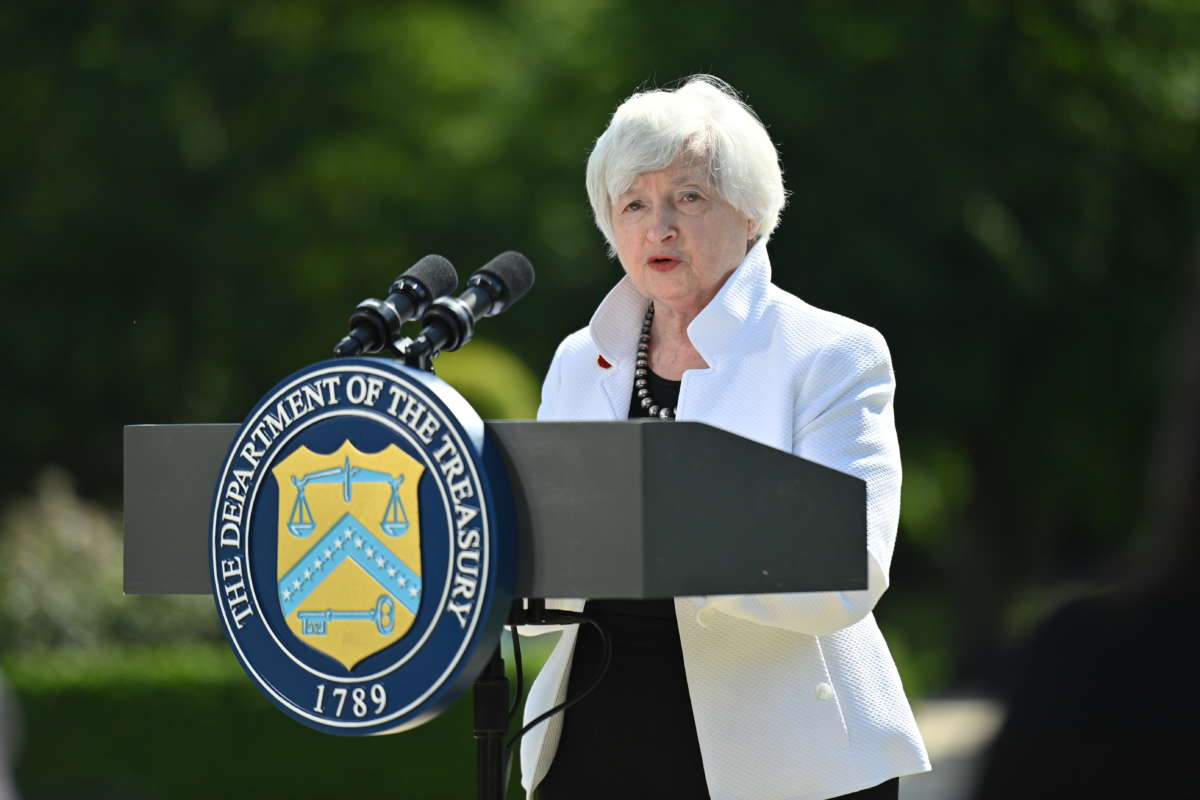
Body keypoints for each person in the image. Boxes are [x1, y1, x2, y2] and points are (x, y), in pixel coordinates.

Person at [519, 76, 930, 799]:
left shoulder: (831, 353)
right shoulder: (578, 359)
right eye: (634, 204)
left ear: (750, 214)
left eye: (689, 197)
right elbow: (547, 563)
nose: (659, 228)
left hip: (790, 757)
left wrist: (658, 538)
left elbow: (853, 566)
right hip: (594, 740)